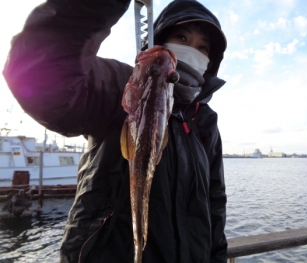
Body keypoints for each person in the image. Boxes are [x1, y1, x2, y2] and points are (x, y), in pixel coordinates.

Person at [3, 0, 227, 262]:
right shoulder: (121, 85)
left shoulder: (204, 120)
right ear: (158, 40)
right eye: (181, 37)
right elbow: (44, 73)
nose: (191, 51)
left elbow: (215, 202)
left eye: (203, 47)